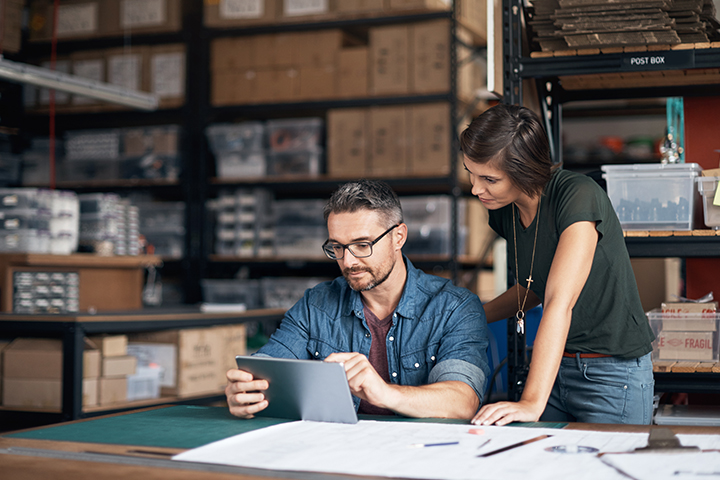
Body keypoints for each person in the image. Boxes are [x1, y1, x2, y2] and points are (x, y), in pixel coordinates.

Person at [226, 179, 490, 420]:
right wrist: (246, 391)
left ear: (398, 237)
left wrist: (384, 392)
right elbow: (267, 369)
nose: (348, 261)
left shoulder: (455, 307)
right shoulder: (315, 305)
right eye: (337, 247)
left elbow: (462, 401)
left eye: (363, 245)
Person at [460, 103, 655, 425]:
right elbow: (534, 287)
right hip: (553, 367)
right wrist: (469, 316)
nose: (475, 188)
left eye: (489, 179)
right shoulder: (503, 207)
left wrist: (531, 403)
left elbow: (558, 302)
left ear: (523, 170)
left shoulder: (577, 196)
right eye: (471, 173)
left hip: (609, 374)